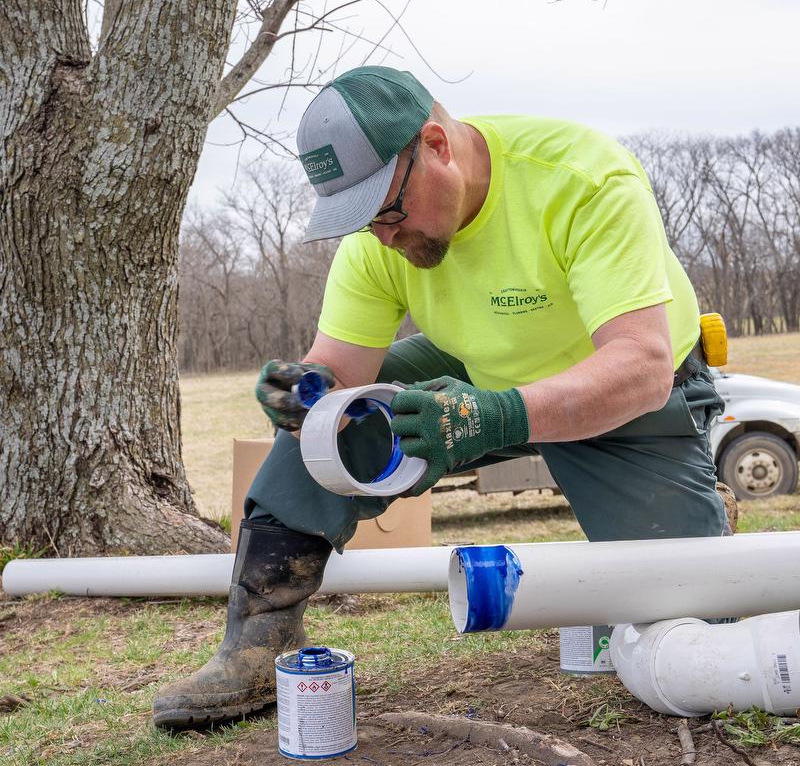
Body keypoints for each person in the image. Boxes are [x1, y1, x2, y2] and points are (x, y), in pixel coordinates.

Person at [153, 66, 732, 730]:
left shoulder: (581, 180)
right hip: (479, 368)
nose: (385, 236)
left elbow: (642, 366)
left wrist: (500, 415)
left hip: (624, 391)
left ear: (435, 145)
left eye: (389, 211)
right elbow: (338, 371)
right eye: (364, 221)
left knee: (698, 628)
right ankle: (258, 642)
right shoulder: (379, 241)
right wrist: (305, 392)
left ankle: (701, 524)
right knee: (333, 426)